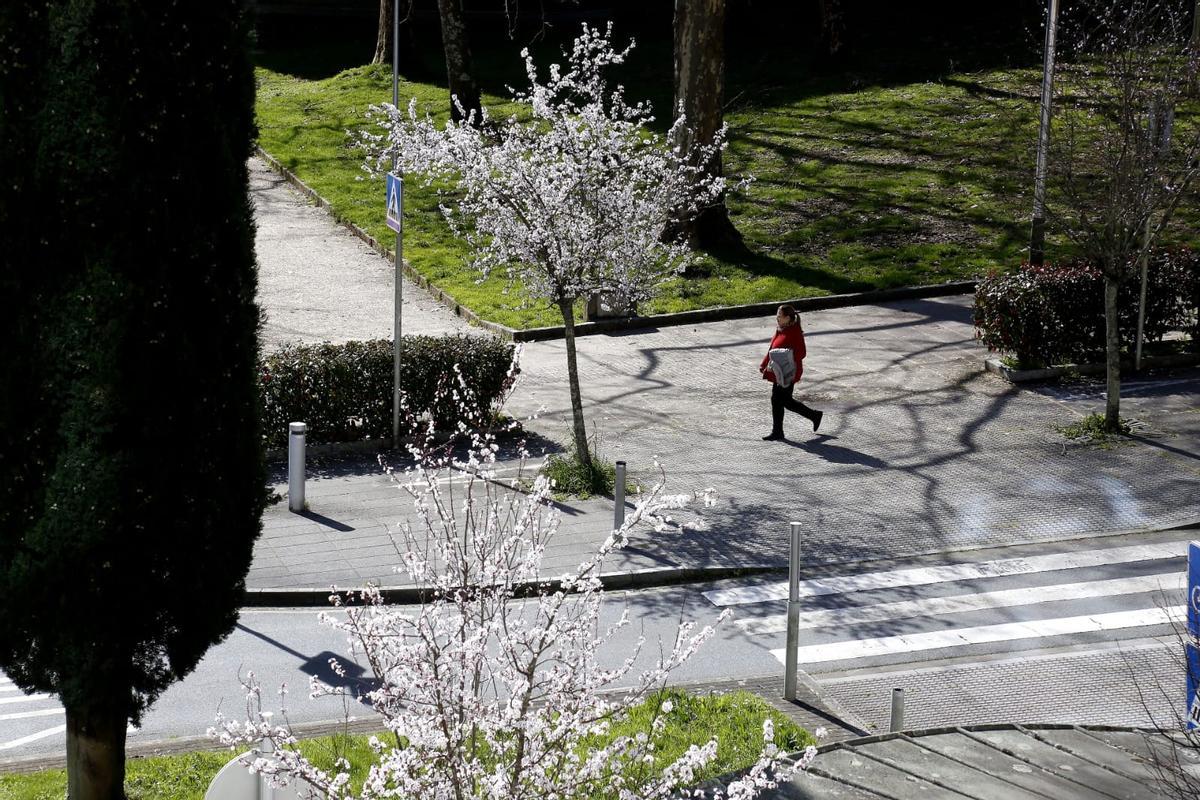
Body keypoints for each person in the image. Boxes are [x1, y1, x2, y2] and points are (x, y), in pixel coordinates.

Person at [759, 305, 822, 441]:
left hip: (788, 372)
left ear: (787, 318)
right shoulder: (780, 329)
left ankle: (813, 416)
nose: (777, 318)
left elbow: (802, 353)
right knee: (778, 400)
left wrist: (787, 356)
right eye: (777, 316)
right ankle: (778, 431)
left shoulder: (795, 332)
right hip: (778, 370)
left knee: (783, 400)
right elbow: (772, 348)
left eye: (779, 316)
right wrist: (764, 364)